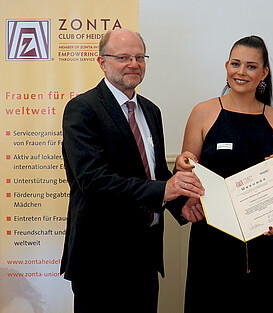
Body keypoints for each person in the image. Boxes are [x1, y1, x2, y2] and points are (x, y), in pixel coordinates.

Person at [60, 28, 204, 313]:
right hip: (100, 259)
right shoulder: (82, 109)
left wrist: (179, 205)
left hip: (145, 256)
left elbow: (155, 171)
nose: (133, 64)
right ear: (102, 62)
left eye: (139, 57)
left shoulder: (151, 111)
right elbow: (93, 180)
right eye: (123, 57)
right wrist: (165, 190)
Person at [175, 35, 273, 312]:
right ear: (226, 66)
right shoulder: (203, 112)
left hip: (264, 240)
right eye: (236, 64)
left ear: (264, 73)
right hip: (211, 238)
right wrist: (182, 163)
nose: (241, 72)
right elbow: (186, 167)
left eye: (251, 66)